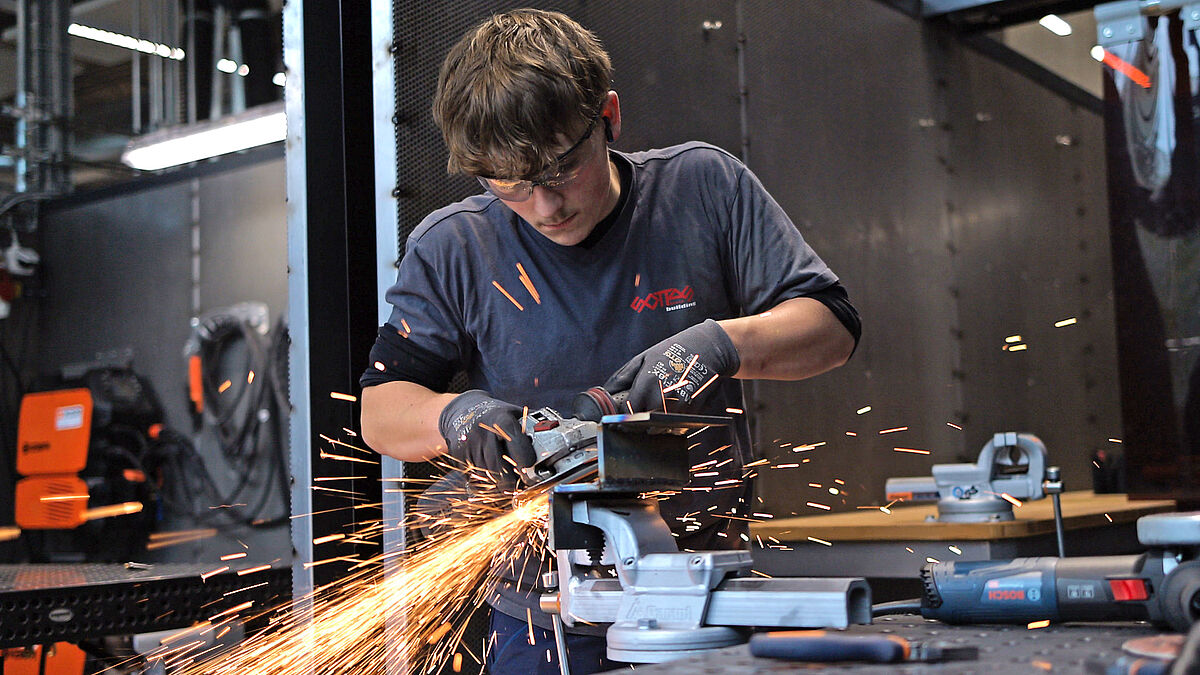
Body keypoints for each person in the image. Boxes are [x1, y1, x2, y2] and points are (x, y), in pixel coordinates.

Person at [360, 9, 861, 674]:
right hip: (536, 615)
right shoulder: (453, 247)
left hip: (699, 598)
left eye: (563, 168)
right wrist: (456, 415)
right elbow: (379, 410)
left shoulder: (702, 189)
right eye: (510, 184)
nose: (545, 205)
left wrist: (714, 345)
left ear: (609, 117)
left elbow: (831, 327)